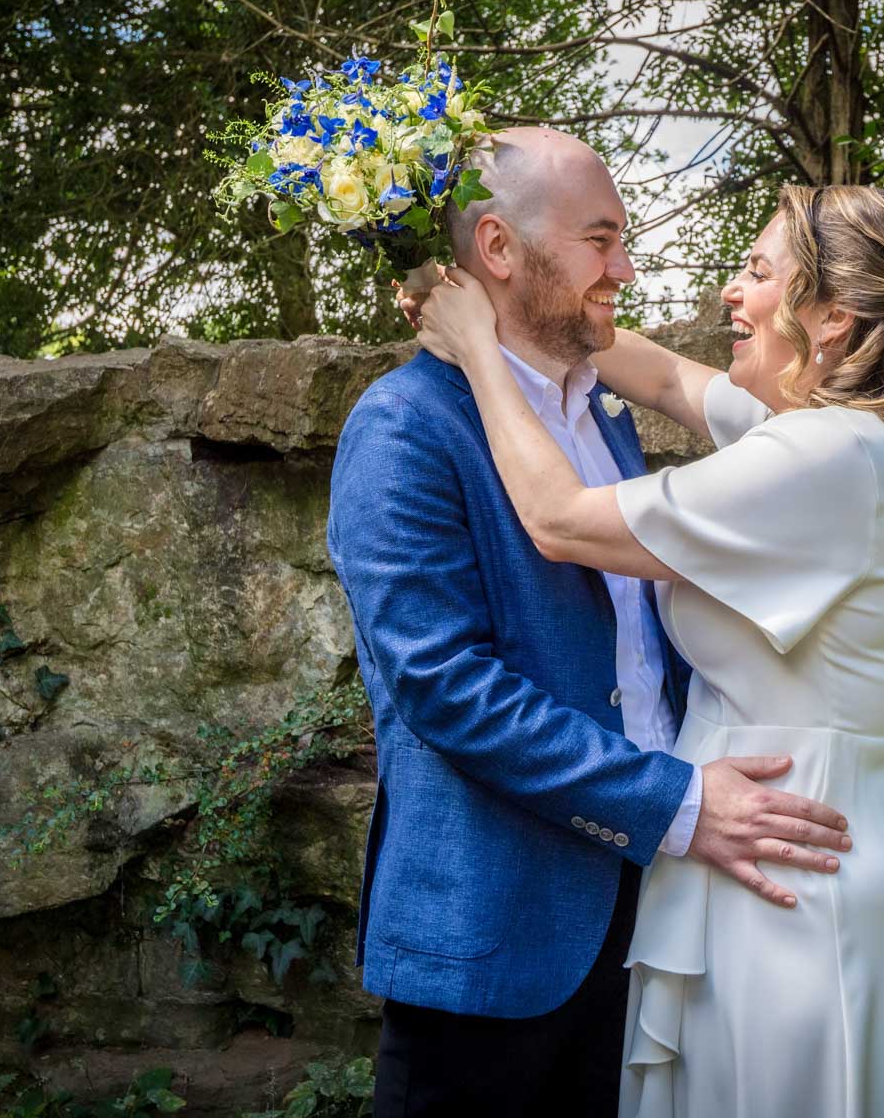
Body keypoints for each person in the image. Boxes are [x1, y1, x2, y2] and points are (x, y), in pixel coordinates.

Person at [415, 177, 884, 1117]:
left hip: (800, 901)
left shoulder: (818, 462)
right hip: (792, 870)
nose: (729, 294)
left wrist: (481, 353)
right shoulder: (839, 440)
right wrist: (538, 300)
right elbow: (661, 378)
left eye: (758, 272)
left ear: (832, 321)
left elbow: (561, 519)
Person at [325, 127, 855, 1118]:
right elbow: (447, 689)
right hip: (496, 932)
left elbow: (637, 659)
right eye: (601, 240)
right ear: (497, 249)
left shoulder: (603, 414)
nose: (626, 266)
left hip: (648, 917)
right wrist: (680, 801)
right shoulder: (405, 426)